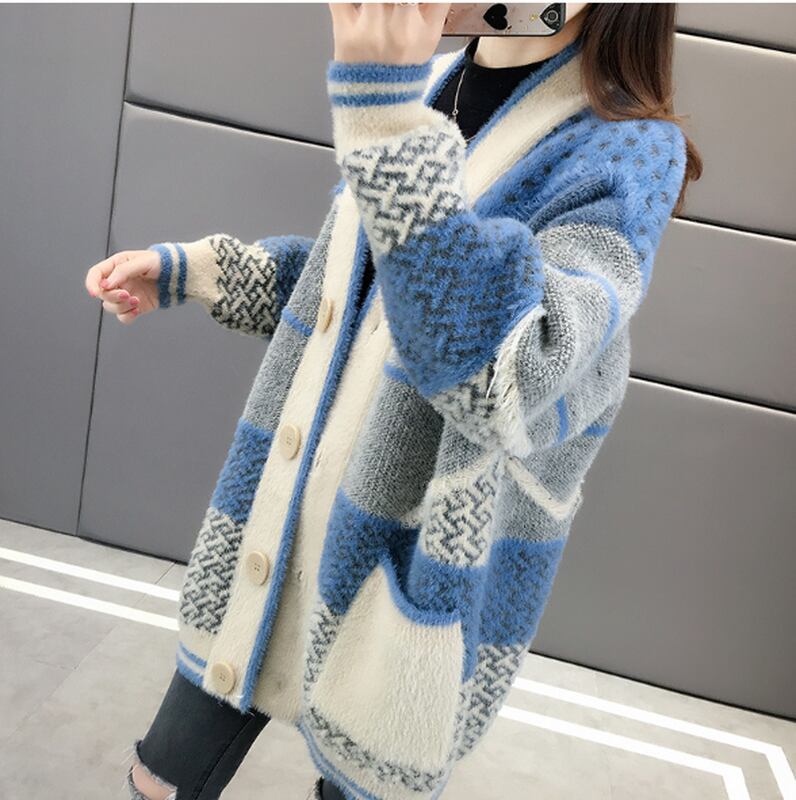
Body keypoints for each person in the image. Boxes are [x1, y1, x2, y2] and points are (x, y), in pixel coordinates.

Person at [84, 4, 702, 799]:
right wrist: (202, 272)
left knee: (357, 776)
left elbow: (507, 375)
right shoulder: (437, 80)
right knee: (159, 777)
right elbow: (366, 285)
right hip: (286, 523)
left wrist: (381, 116)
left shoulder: (628, 148)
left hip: (409, 563)